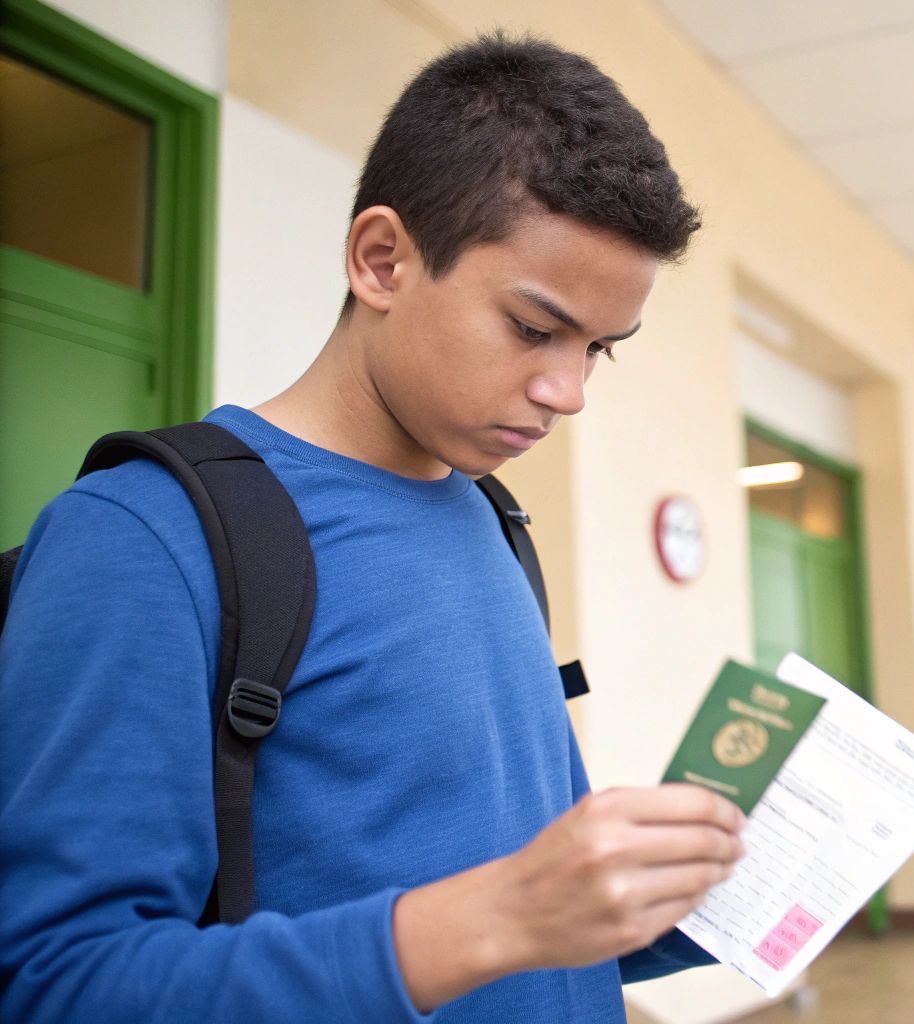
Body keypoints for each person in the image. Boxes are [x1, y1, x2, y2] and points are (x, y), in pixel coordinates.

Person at [0, 31, 746, 1023]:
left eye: (598, 350)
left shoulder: (495, 521)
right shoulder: (141, 537)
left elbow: (505, 907)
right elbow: (59, 982)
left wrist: (661, 901)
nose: (566, 391)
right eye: (533, 328)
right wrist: (498, 917)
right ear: (382, 259)